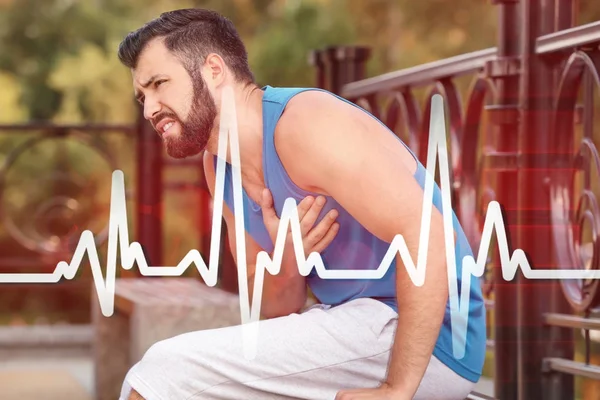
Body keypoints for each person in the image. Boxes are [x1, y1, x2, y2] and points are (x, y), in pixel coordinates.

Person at [117, 8, 487, 400]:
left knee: (164, 374)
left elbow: (429, 235)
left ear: (213, 69)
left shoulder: (305, 123)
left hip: (428, 342)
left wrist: (397, 389)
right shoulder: (218, 168)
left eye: (159, 84)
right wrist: (289, 260)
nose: (149, 108)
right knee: (165, 377)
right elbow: (276, 311)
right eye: (143, 96)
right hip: (349, 326)